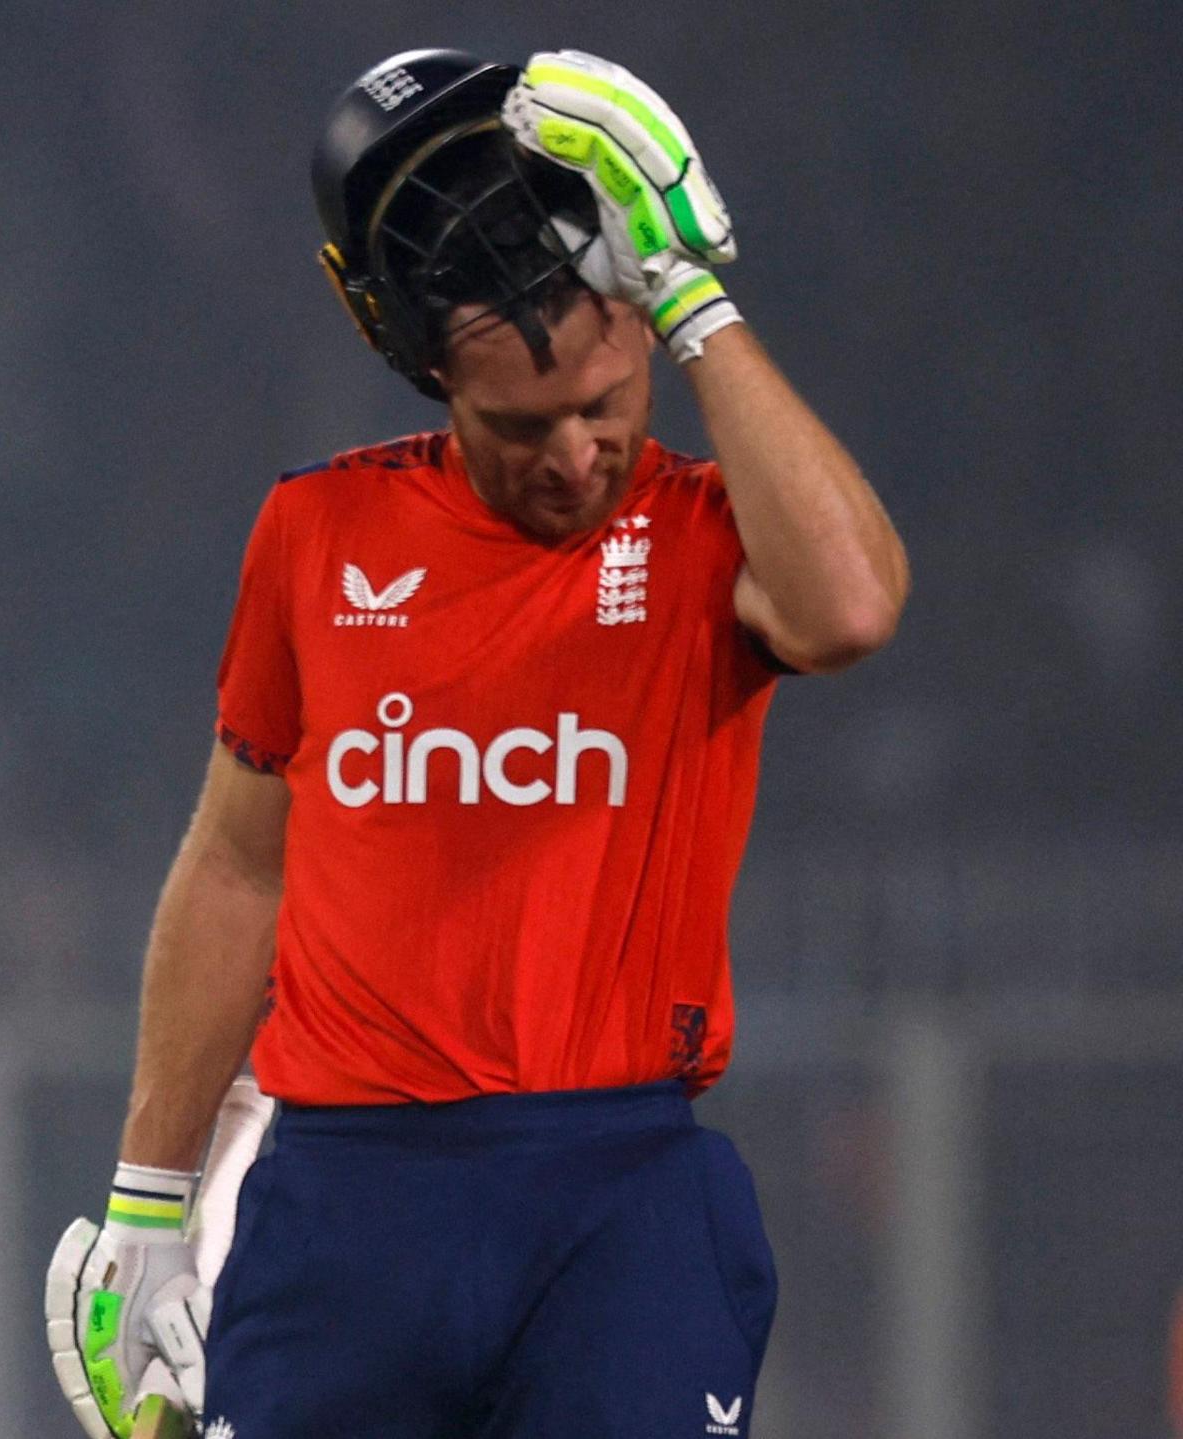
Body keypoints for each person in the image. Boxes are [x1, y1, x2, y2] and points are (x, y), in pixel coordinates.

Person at [47, 48, 908, 1439]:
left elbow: (855, 604)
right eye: (522, 424)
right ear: (430, 373)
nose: (576, 456)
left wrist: (689, 288)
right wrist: (152, 1199)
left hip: (617, 1194)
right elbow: (235, 867)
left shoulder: (703, 534)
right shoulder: (316, 534)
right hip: (343, 1198)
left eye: (607, 409)